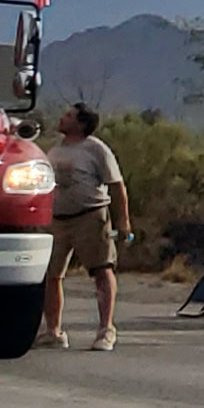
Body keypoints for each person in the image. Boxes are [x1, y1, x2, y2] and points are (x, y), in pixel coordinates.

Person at [38, 103, 131, 351]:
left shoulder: (96, 149)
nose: (62, 118)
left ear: (80, 124)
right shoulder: (56, 149)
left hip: (89, 217)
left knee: (102, 270)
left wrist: (123, 222)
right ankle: (53, 331)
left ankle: (106, 330)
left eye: (68, 116)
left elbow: (117, 186)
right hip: (57, 220)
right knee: (51, 274)